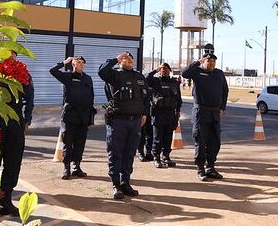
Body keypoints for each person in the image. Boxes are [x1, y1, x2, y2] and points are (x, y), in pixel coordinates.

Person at [0, 51, 35, 218]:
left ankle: (5, 202)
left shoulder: (22, 72)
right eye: (7, 53)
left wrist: (26, 119)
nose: (10, 57)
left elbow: (29, 97)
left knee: (13, 163)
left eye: (13, 54)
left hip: (15, 122)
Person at [98, 52, 149, 200]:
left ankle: (125, 182)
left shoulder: (139, 76)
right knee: (116, 152)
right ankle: (115, 184)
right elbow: (102, 71)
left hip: (135, 121)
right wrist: (115, 59)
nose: (129, 60)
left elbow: (146, 98)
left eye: (131, 58)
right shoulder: (114, 75)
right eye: (126, 58)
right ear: (121, 61)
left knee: (129, 153)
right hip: (118, 120)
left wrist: (145, 113)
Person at [181, 51, 229, 182]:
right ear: (204, 61)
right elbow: (184, 73)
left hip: (215, 113)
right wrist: (198, 62)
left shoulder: (219, 73)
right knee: (200, 141)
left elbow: (225, 91)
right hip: (201, 112)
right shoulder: (197, 72)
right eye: (209, 61)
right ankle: (200, 169)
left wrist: (222, 107)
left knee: (215, 142)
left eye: (214, 61)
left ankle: (210, 168)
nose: (212, 63)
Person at [49, 56, 95, 180]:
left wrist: (90, 114)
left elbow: (91, 96)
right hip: (70, 115)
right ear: (73, 64)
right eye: (76, 62)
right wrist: (65, 62)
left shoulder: (88, 79)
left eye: (81, 62)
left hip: (83, 116)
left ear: (84, 64)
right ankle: (66, 168)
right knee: (68, 143)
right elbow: (52, 71)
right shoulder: (68, 77)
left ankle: (77, 166)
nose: (79, 64)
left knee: (80, 143)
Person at [146, 63, 183, 168]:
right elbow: (146, 78)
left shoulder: (174, 82)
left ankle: (166, 156)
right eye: (162, 69)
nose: (164, 70)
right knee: (157, 137)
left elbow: (178, 98)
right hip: (158, 113)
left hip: (170, 113)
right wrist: (155, 71)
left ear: (169, 70)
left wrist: (178, 111)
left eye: (166, 69)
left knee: (168, 137)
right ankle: (156, 157)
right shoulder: (155, 81)